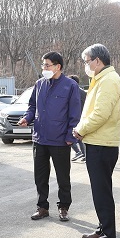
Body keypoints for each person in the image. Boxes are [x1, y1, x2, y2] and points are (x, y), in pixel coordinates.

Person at [73, 44, 120, 238]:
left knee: (102, 191)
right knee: (99, 189)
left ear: (97, 61)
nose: (85, 65)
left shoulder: (109, 81)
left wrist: (80, 129)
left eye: (87, 61)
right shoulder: (101, 79)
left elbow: (101, 114)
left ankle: (108, 236)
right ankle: (103, 228)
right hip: (96, 141)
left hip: (102, 143)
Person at [18, 51, 81, 222]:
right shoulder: (39, 84)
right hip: (40, 138)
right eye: (43, 65)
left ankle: (64, 207)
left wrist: (70, 136)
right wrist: (27, 117)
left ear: (58, 67)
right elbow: (32, 106)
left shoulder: (70, 86)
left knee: (62, 177)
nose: (44, 68)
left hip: (60, 139)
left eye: (47, 65)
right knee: (40, 176)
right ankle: (42, 207)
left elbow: (75, 114)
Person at [68, 74, 87, 162]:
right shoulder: (84, 92)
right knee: (79, 136)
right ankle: (83, 153)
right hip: (82, 117)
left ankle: (78, 152)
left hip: (73, 117)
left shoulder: (71, 92)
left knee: (71, 134)